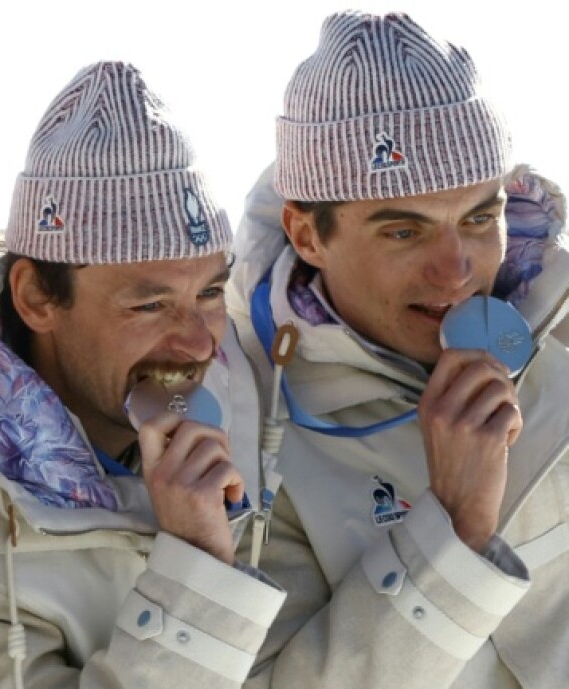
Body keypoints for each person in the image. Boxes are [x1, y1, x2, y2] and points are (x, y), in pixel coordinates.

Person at [0, 61, 285, 689]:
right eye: (149, 305)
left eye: (210, 292)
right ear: (37, 299)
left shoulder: (256, 425)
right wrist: (200, 568)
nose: (197, 343)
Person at [226, 10, 569, 687]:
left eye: (479, 217)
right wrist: (455, 532)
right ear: (307, 234)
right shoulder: (247, 422)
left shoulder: (558, 334)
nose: (457, 270)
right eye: (404, 232)